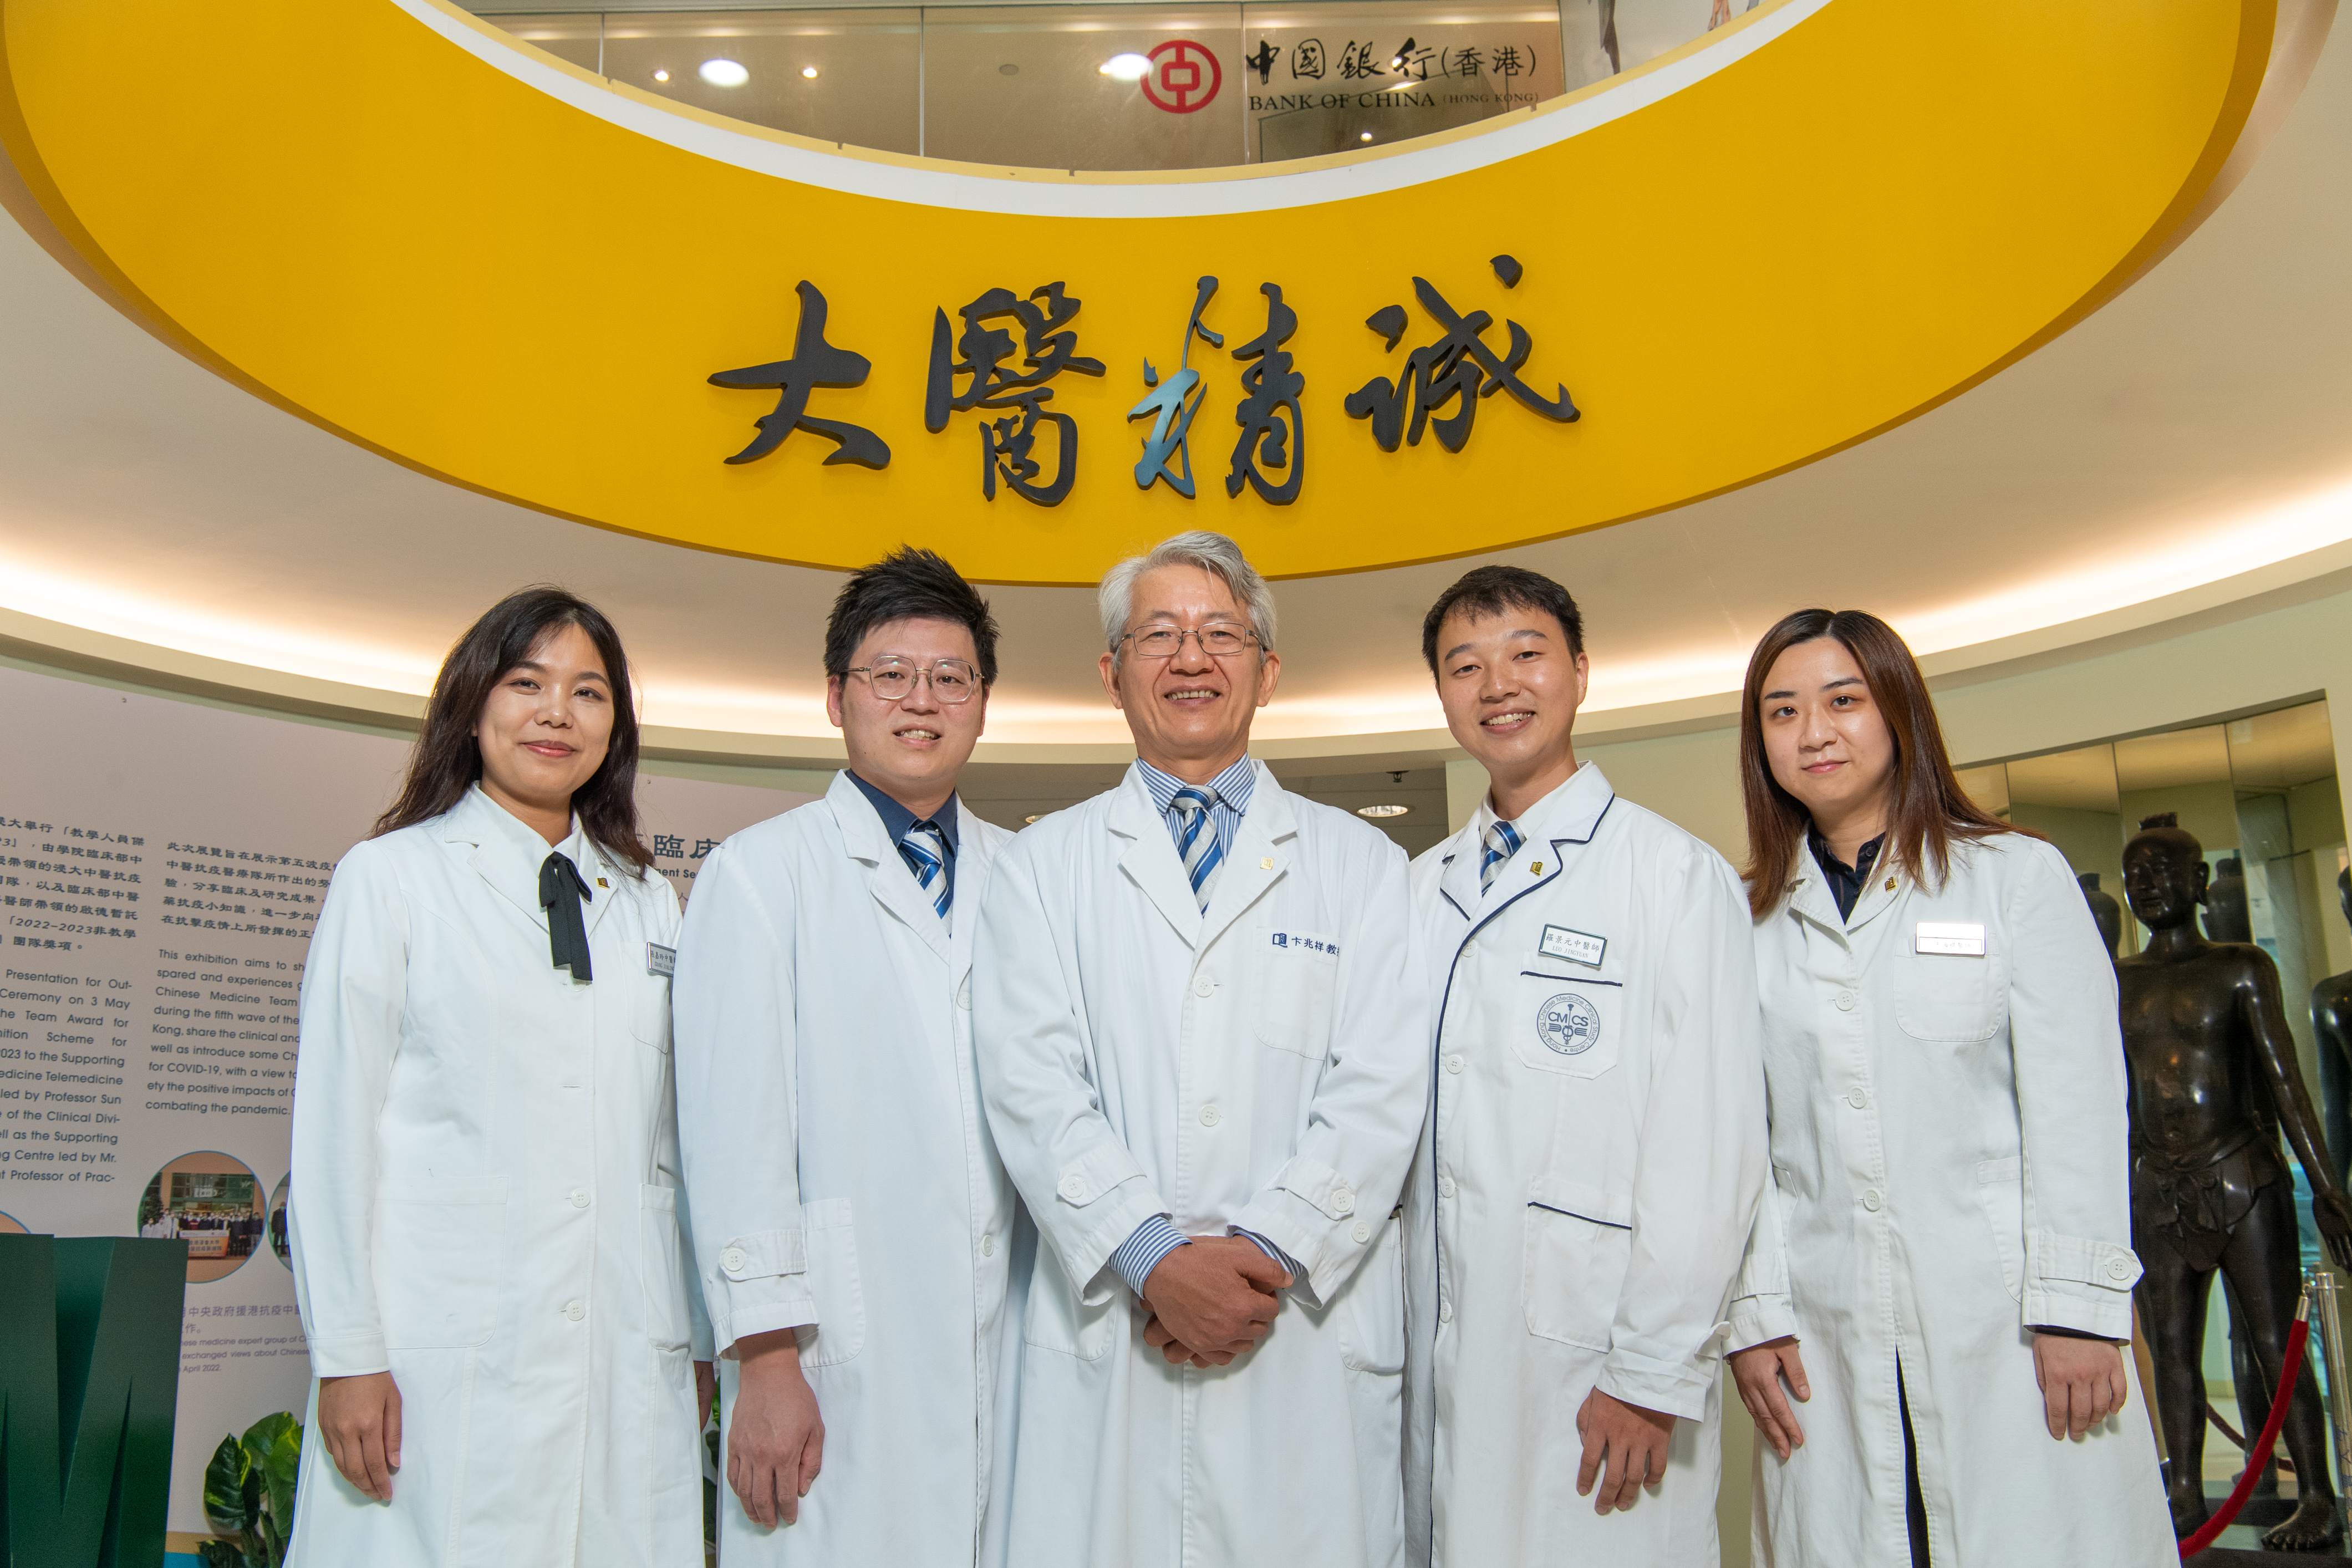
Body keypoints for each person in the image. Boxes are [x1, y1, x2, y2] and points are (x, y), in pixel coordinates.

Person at [974, 530, 1429, 1568]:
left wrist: (1261, 1257)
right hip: (1112, 1335)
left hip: (1296, 1337)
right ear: (1111, 672)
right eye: (1159, 635)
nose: (1191, 659)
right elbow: (1031, 1085)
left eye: (1222, 634)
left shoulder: (1360, 866)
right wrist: (1152, 1258)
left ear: (1267, 673)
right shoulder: (1043, 867)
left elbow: (1381, 1093)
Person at [1725, 608, 2171, 1567]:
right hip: (1825, 1330)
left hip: (2006, 1325)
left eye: (1843, 700)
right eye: (1781, 711)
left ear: (1898, 710)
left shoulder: (2011, 878)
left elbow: (2078, 1106)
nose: (1813, 732)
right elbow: (1738, 1142)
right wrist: (1753, 1313)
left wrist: (2076, 1310)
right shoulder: (1743, 918)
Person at [285, 587, 710, 1568]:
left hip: (622, 1353)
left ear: (617, 726)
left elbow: (675, 1146)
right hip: (440, 1354)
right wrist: (348, 1356)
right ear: (473, 703)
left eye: (588, 692)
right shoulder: (391, 879)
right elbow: (334, 1133)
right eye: (528, 684)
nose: (557, 714)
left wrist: (688, 1337)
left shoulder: (650, 903)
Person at [1403, 566, 1766, 1567]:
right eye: (1464, 665)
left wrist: (1650, 1370)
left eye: (1526, 654)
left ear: (1579, 673)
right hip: (1445, 1344)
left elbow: (1711, 1146)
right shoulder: (1416, 888)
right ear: (1441, 695)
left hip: (1596, 1357)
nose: (1497, 685)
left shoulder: (1671, 875)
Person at [672, 548, 1026, 1567]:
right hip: (833, 1349)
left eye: (951, 678)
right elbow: (730, 1134)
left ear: (982, 702)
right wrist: (769, 1358)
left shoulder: (1026, 875)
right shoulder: (761, 874)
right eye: (890, 675)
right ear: (836, 697)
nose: (922, 701)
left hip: (1004, 1346)